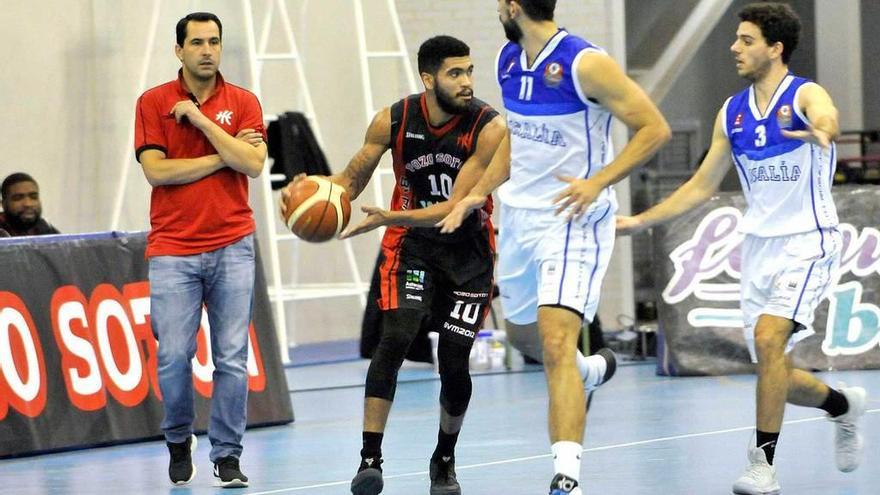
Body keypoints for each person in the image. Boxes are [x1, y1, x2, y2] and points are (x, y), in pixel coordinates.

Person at [615, 3, 866, 494]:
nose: (735, 47)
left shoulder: (805, 94)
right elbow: (701, 184)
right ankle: (842, 405)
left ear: (775, 49)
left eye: (747, 40)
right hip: (759, 251)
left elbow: (827, 116)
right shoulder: (731, 112)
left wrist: (825, 130)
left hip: (808, 243)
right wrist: (640, 221)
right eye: (737, 38)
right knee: (776, 372)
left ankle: (762, 466)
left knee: (772, 341)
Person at [438, 1, 671, 493]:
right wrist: (478, 192)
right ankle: (589, 371)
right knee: (528, 342)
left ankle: (567, 477)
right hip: (519, 217)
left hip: (572, 219)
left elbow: (654, 128)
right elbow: (516, 141)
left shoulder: (586, 63)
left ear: (514, 6)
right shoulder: (507, 58)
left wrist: (598, 182)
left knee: (556, 342)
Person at [281, 35, 504, 495]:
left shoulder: (487, 126)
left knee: (454, 361)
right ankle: (370, 458)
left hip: (469, 254)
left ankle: (444, 458)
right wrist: (318, 191)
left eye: (469, 72)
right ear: (428, 78)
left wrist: (389, 215)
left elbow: (453, 206)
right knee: (397, 334)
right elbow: (350, 179)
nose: (466, 82)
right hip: (412, 249)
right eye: (454, 73)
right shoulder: (394, 119)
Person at [133, 12, 267, 489]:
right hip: (172, 248)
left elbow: (252, 165)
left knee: (231, 356)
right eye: (197, 43)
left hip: (233, 245)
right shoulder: (152, 102)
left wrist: (200, 122)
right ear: (179, 51)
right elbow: (158, 173)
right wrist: (223, 153)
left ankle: (227, 455)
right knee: (173, 356)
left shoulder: (244, 101)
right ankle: (177, 439)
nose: (207, 50)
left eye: (214, 41)